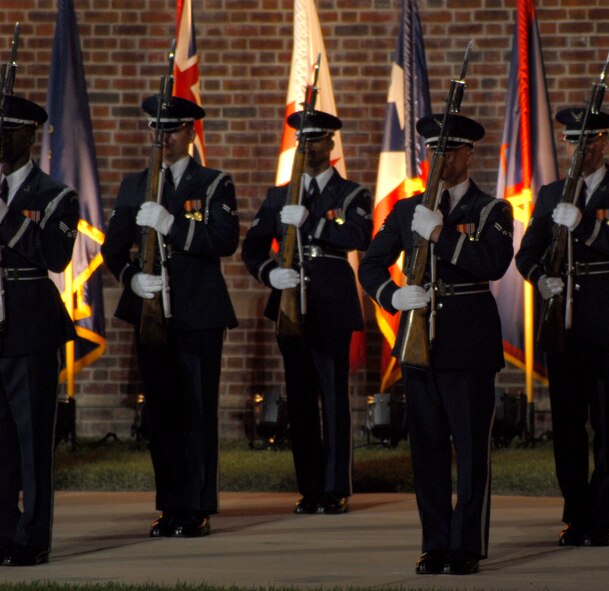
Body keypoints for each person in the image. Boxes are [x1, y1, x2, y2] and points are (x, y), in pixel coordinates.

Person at [359, 114, 513, 576]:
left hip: (467, 342)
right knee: (425, 449)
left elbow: (494, 262)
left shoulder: (491, 210)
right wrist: (391, 296)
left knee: (469, 450)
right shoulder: (407, 210)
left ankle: (466, 545)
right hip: (419, 341)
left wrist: (441, 236)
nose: (440, 159)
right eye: (434, 150)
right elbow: (371, 266)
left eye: (451, 150)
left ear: (469, 155)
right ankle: (435, 542)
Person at [101, 96, 239, 538]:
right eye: (156, 129)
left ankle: (197, 505)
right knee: (161, 412)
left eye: (173, 129)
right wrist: (131, 279)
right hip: (151, 308)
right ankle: (170, 505)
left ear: (190, 132)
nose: (163, 137)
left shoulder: (214, 183)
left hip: (198, 309)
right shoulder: (134, 184)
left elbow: (224, 239)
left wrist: (171, 224)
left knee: (196, 409)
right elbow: (112, 248)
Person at [515, 108, 609, 548]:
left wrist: (587, 226)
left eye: (588, 142)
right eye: (573, 141)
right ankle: (575, 513)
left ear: (604, 144)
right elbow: (527, 253)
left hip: (607, 321)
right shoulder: (550, 194)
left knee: (606, 424)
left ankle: (603, 516)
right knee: (567, 426)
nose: (578, 149)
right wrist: (540, 279)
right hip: (562, 323)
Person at [242, 110, 371, 515]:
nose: (309, 146)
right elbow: (252, 248)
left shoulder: (351, 194)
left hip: (331, 303)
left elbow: (357, 235)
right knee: (299, 400)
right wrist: (270, 275)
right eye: (303, 139)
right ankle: (310, 488)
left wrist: (312, 222)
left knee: (333, 397)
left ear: (331, 144)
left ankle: (335, 488)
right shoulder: (280, 195)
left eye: (316, 139)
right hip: (290, 304)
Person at [0, 95, 78, 567]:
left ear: (31, 137)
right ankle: (3, 530)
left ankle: (33, 538)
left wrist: (7, 221)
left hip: (30, 327)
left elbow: (56, 257)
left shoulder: (54, 196)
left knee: (32, 443)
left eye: (11, 131)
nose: (2, 139)